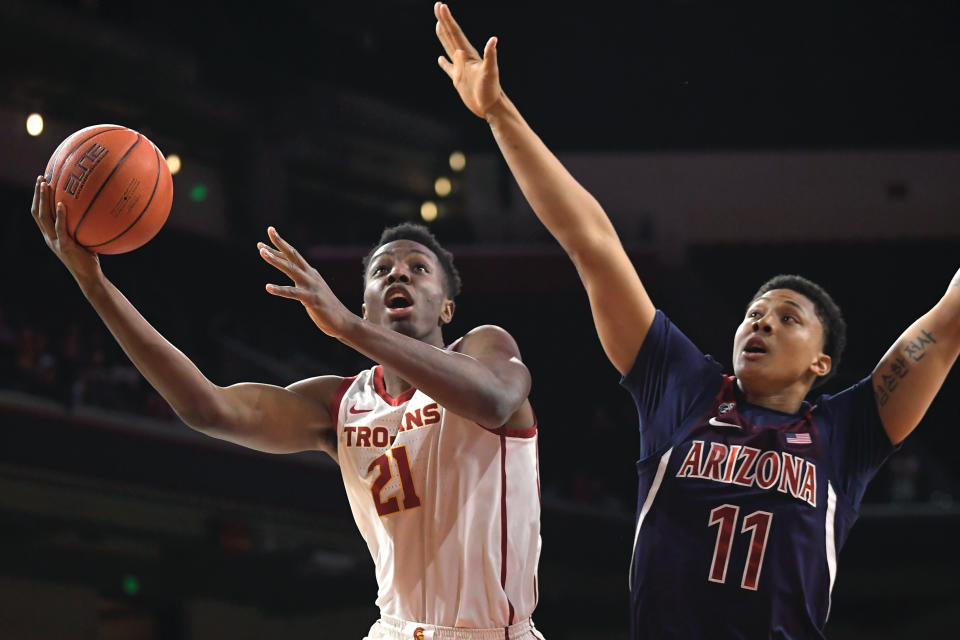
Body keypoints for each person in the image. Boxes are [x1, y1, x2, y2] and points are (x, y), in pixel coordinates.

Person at [432, 3, 960, 638]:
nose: (759, 324)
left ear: (823, 363)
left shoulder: (848, 434)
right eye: (753, 314)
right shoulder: (680, 385)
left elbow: (949, 324)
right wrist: (498, 114)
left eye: (786, 318)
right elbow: (591, 242)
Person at [30, 175, 546, 640]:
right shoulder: (340, 403)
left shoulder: (485, 348)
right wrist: (95, 286)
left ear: (447, 307)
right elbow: (207, 408)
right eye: (382, 269)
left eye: (418, 268)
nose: (399, 275)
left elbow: (496, 401)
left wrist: (348, 328)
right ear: (365, 301)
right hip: (394, 630)